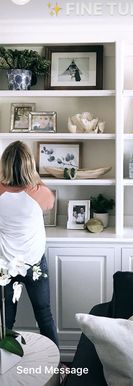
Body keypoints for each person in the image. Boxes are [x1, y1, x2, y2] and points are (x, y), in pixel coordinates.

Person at [0, 141, 58, 347]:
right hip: (34, 264)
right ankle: (56, 368)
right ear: (29, 165)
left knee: (6, 321)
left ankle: (5, 366)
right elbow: (50, 204)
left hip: (5, 266)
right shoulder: (40, 192)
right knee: (44, 316)